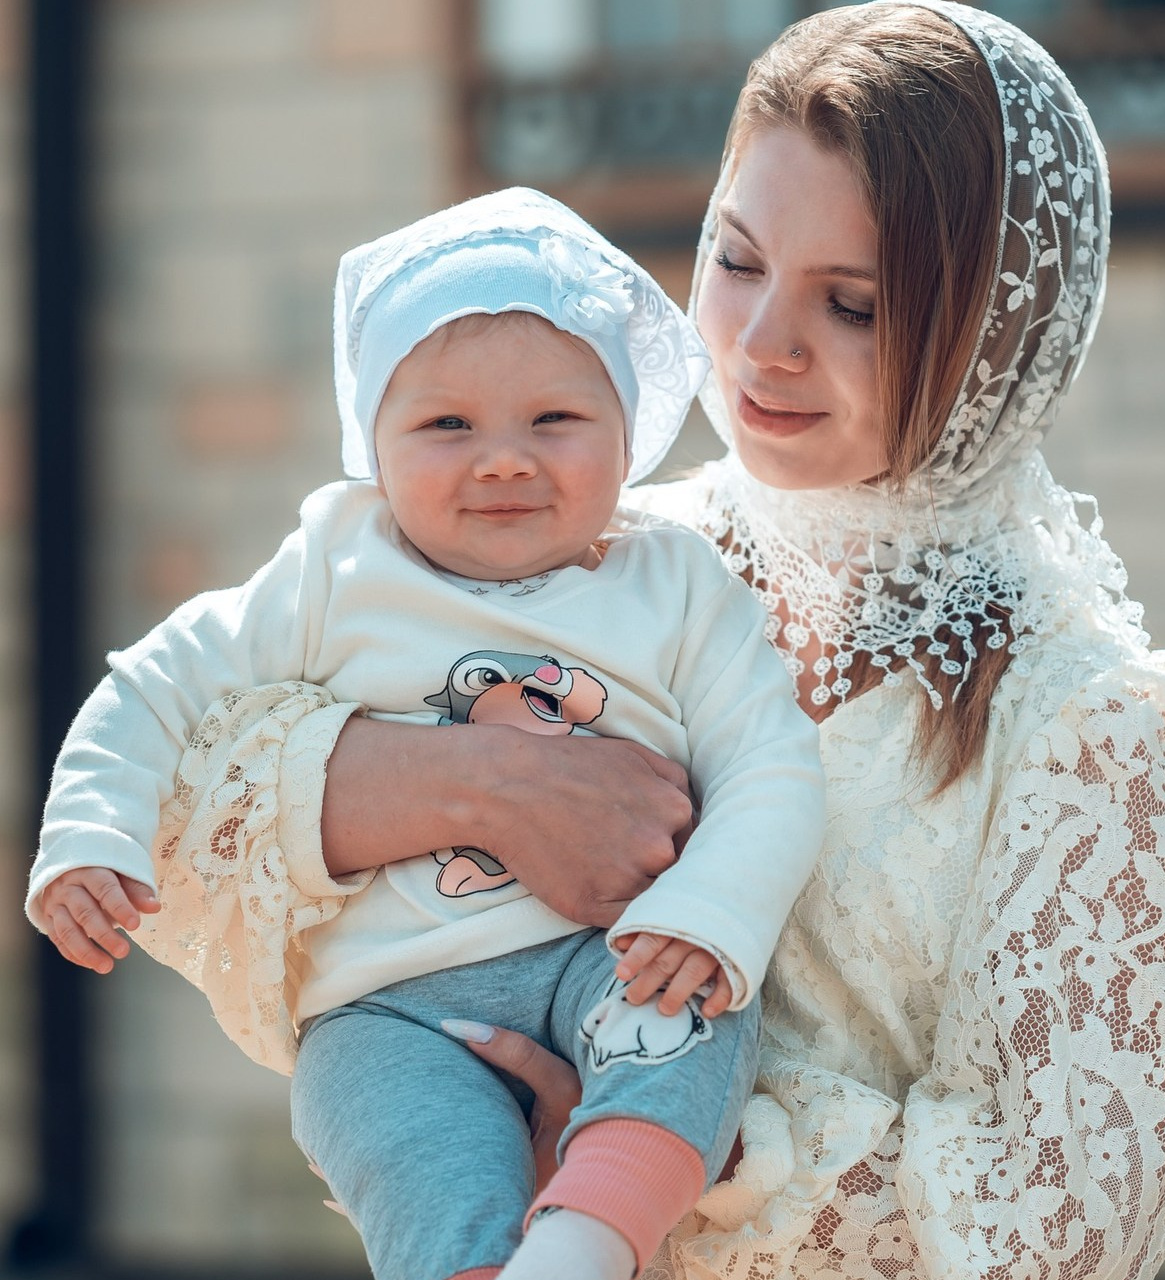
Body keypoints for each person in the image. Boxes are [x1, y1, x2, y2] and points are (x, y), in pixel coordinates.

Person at [31, 1, 1165, 1278]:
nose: (762, 344)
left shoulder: (1097, 726)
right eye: (735, 259)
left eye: (852, 303)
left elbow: (1056, 1234)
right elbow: (180, 786)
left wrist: (687, 1152)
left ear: (994, 335)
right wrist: (473, 785)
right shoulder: (601, 544)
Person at [25, 188, 829, 1280]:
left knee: (694, 1015)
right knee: (390, 1126)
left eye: (554, 419)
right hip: (390, 1001)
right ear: (375, 443)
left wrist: (709, 910)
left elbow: (768, 763)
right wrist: (91, 831)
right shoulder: (333, 565)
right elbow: (156, 681)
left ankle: (589, 1238)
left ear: (628, 435)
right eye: (446, 424)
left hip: (612, 954)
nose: (502, 458)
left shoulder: (675, 583)